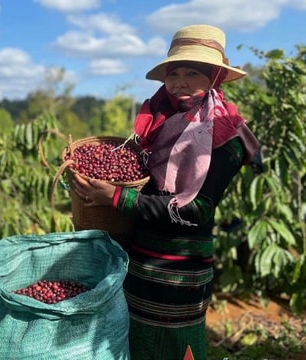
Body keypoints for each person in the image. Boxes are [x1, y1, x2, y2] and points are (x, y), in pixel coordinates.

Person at [72, 24, 262, 359]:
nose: (181, 83)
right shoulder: (161, 123)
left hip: (179, 276)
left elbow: (196, 210)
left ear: (215, 76)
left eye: (193, 73)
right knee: (135, 343)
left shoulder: (225, 138)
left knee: (175, 349)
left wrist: (114, 197)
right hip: (140, 261)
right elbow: (145, 182)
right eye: (174, 73)